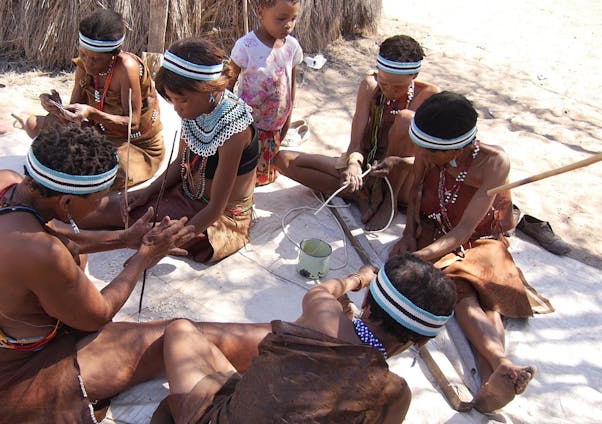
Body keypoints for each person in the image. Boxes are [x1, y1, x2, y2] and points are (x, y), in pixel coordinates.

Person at [0, 124, 270, 423]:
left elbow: (57, 234)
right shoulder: (41, 254)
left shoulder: (1, 185)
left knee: (76, 262)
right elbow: (97, 317)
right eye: (98, 199)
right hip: (7, 380)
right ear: (65, 204)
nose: (102, 206)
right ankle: (288, 340)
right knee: (172, 336)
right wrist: (142, 259)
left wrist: (124, 238)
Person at [390, 92, 554, 413]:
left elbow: (465, 232)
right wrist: (409, 234)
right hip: (437, 229)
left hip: (481, 237)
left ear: (458, 147)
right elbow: (418, 189)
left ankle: (498, 370)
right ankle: (501, 365)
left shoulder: (494, 163)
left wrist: (416, 259)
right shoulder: (429, 147)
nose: (421, 152)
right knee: (461, 290)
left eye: (430, 150)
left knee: (487, 290)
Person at [150, 254, 457, 423]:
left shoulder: (322, 313)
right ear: (420, 342)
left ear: (366, 302)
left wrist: (357, 278)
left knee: (180, 331)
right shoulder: (395, 393)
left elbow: (323, 290)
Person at [80, 38, 258, 263]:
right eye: (172, 101)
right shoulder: (197, 108)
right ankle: (48, 225)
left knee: (148, 233)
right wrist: (150, 191)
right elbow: (179, 163)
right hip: (186, 193)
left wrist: (171, 240)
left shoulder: (235, 129)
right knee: (113, 208)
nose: (177, 108)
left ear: (208, 90)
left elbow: (215, 209)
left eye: (181, 101)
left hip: (221, 217)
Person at [276, 35, 439, 229]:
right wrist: (353, 164)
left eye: (398, 87)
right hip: (367, 168)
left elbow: (430, 159)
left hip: (401, 177)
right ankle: (362, 194)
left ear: (414, 76)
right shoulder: (370, 86)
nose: (389, 92)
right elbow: (356, 142)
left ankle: (389, 201)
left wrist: (396, 163)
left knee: (406, 119)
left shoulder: (429, 96)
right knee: (284, 160)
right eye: (384, 83)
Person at [19, 8, 165, 189]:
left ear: (114, 55)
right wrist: (59, 109)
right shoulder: (84, 65)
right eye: (83, 54)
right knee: (35, 125)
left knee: (106, 173)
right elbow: (74, 113)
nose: (87, 63)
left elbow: (133, 124)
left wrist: (93, 113)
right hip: (97, 131)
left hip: (134, 144)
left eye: (95, 59)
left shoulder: (127, 69)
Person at [228, 0, 303, 186]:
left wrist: (288, 118)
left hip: (275, 126)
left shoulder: (291, 47)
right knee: (243, 177)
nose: (288, 24)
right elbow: (228, 84)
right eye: (281, 18)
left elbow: (291, 85)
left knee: (266, 177)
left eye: (293, 18)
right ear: (261, 12)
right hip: (248, 126)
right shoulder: (246, 46)